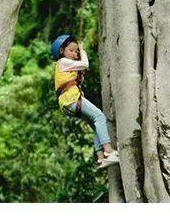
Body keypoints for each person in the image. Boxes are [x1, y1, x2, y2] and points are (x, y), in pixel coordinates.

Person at [51, 34, 119, 168]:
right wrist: (82, 50)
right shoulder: (62, 62)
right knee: (99, 116)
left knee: (95, 125)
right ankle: (109, 151)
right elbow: (85, 64)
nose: (74, 53)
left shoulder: (69, 67)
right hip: (72, 100)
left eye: (76, 51)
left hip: (67, 104)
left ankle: (101, 157)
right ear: (61, 51)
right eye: (71, 50)